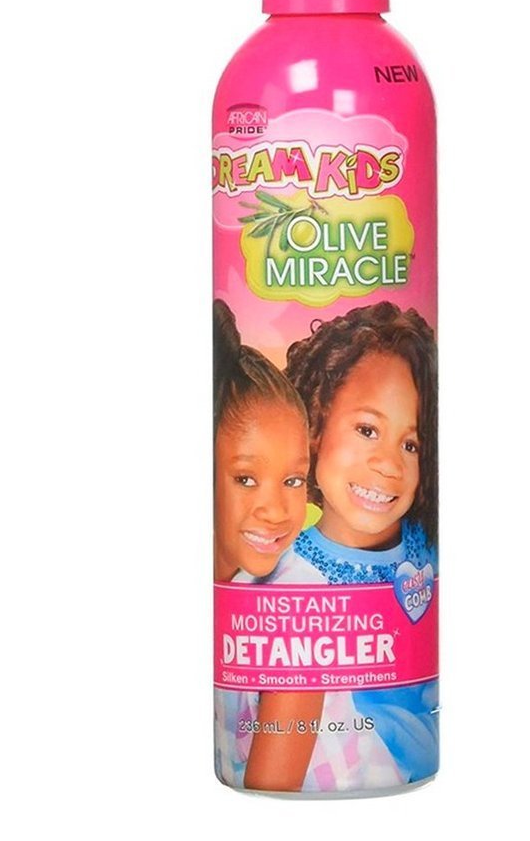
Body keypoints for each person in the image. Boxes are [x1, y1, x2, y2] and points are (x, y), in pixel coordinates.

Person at [273, 301, 440, 789]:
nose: (389, 464)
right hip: (337, 767)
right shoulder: (284, 571)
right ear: (315, 426)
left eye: (410, 444)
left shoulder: (427, 546)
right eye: (367, 430)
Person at [212, 300, 321, 790]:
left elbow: (270, 787)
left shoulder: (297, 593)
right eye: (246, 478)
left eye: (294, 480)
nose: (276, 511)